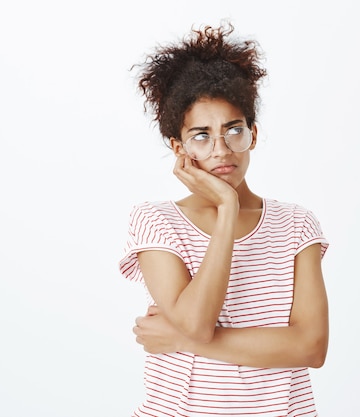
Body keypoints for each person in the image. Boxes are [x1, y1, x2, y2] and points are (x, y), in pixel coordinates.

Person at [119, 22, 330, 417]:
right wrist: (227, 208)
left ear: (252, 133)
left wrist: (180, 339)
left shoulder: (298, 225)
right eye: (201, 135)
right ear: (178, 147)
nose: (221, 149)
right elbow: (197, 323)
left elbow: (311, 348)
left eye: (233, 130)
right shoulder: (156, 221)